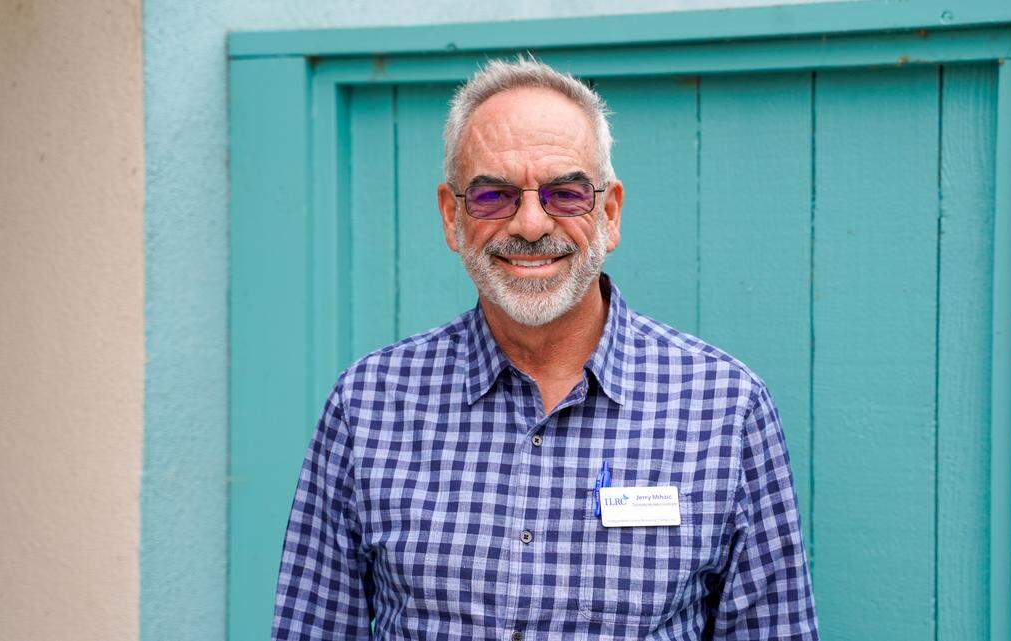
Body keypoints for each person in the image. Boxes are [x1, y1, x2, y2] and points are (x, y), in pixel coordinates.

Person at [271, 55, 818, 640]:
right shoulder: (368, 405)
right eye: (491, 196)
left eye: (565, 192)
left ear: (608, 214)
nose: (531, 224)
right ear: (451, 216)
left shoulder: (725, 407)